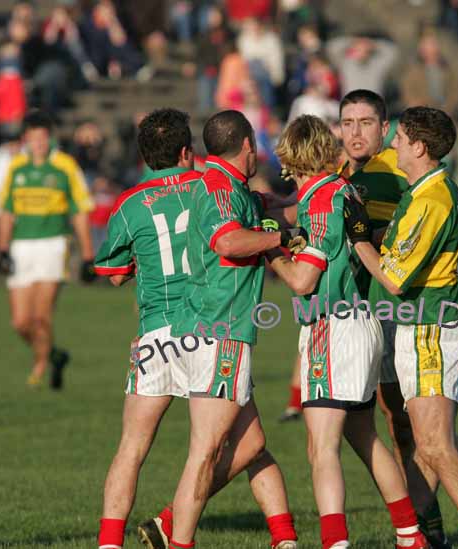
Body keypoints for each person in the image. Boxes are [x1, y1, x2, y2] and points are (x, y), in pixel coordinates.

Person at [93, 108, 297, 549]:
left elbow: (113, 272)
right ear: (189, 151)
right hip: (209, 324)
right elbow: (240, 221)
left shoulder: (130, 204)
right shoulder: (211, 187)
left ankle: (111, 543)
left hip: (154, 332)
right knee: (231, 445)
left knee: (132, 449)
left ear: (146, 157)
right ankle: (176, 526)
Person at [345, 106, 458, 548]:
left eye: (398, 137)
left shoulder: (430, 200)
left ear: (418, 146)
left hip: (429, 330)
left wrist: (358, 238)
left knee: (435, 448)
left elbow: (395, 279)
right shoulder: (425, 193)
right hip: (425, 329)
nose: (392, 143)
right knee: (433, 445)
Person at [268, 114, 428, 549]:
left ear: (290, 157)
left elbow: (304, 280)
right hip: (360, 322)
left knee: (320, 448)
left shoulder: (320, 200)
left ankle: (334, 543)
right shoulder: (342, 190)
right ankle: (411, 536)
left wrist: (272, 253)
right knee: (365, 436)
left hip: (331, 327)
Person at [166, 110, 300, 549]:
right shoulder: (223, 189)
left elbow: (278, 210)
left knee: (253, 443)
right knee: (205, 452)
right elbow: (228, 241)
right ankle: (175, 535)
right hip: (218, 331)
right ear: (247, 145)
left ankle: (284, 539)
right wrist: (280, 240)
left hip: (216, 329)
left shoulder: (233, 188)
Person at [0, 110, 95, 389]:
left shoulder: (65, 166)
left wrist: (88, 255)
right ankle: (53, 354)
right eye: (32, 138)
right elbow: (6, 211)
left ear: (49, 139)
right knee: (20, 322)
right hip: (21, 246)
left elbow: (80, 212)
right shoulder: (16, 168)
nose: (38, 143)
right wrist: (2, 249)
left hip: (52, 245)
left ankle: (40, 365)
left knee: (41, 317)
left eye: (42, 138)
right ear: (25, 139)